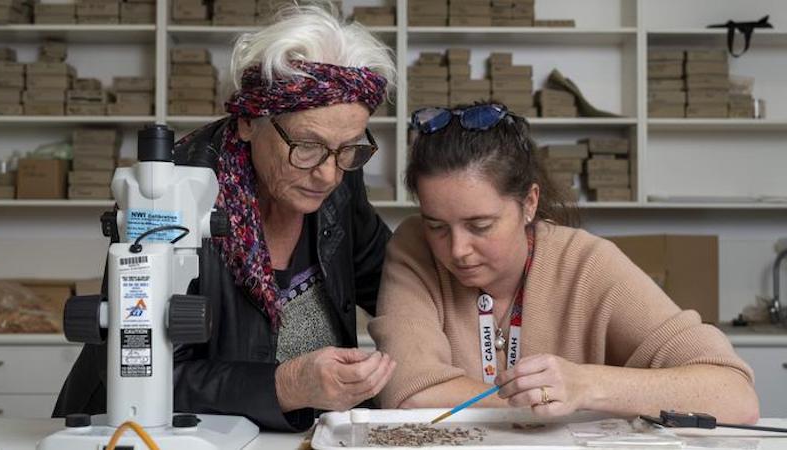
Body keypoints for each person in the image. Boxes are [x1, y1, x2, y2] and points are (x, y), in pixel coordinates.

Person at [54, 5, 397, 431]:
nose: (327, 173)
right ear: (249, 121)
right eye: (307, 146)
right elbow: (143, 368)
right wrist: (287, 384)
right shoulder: (166, 193)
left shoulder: (339, 174)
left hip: (298, 435)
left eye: (349, 148)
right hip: (146, 431)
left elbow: (394, 285)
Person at [369, 103, 759, 424]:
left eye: (480, 225)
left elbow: (735, 396)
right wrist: (549, 407)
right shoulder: (414, 246)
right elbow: (412, 396)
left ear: (529, 203)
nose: (457, 250)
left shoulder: (588, 263)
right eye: (437, 225)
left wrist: (585, 385)